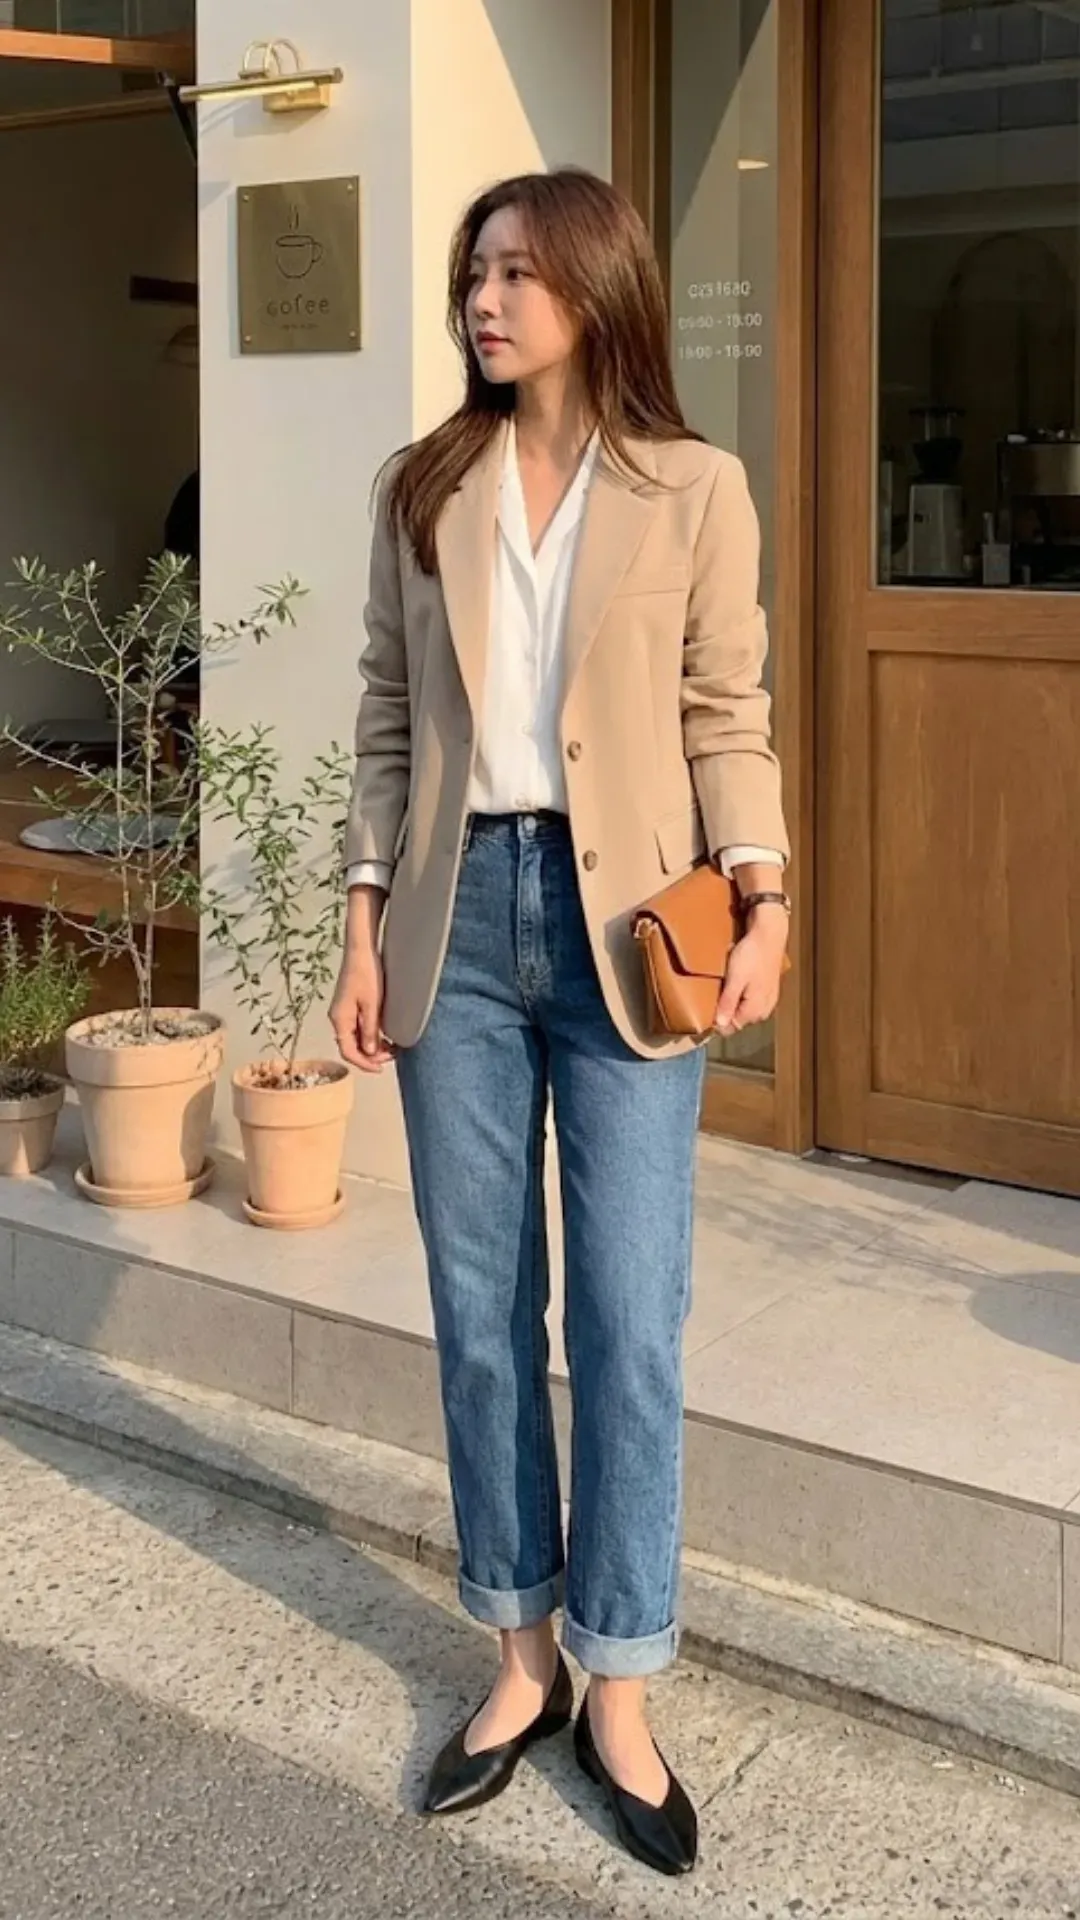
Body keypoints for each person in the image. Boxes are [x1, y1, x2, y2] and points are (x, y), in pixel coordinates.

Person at [331, 167, 789, 1878]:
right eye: (475, 272)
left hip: (625, 930)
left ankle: (623, 1683)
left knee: (632, 1319)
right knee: (478, 1309)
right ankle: (519, 1657)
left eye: (518, 273)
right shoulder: (423, 488)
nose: (485, 299)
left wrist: (764, 894)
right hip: (453, 922)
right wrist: (361, 924)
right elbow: (388, 719)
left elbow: (726, 707)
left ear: (597, 291)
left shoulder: (693, 487)